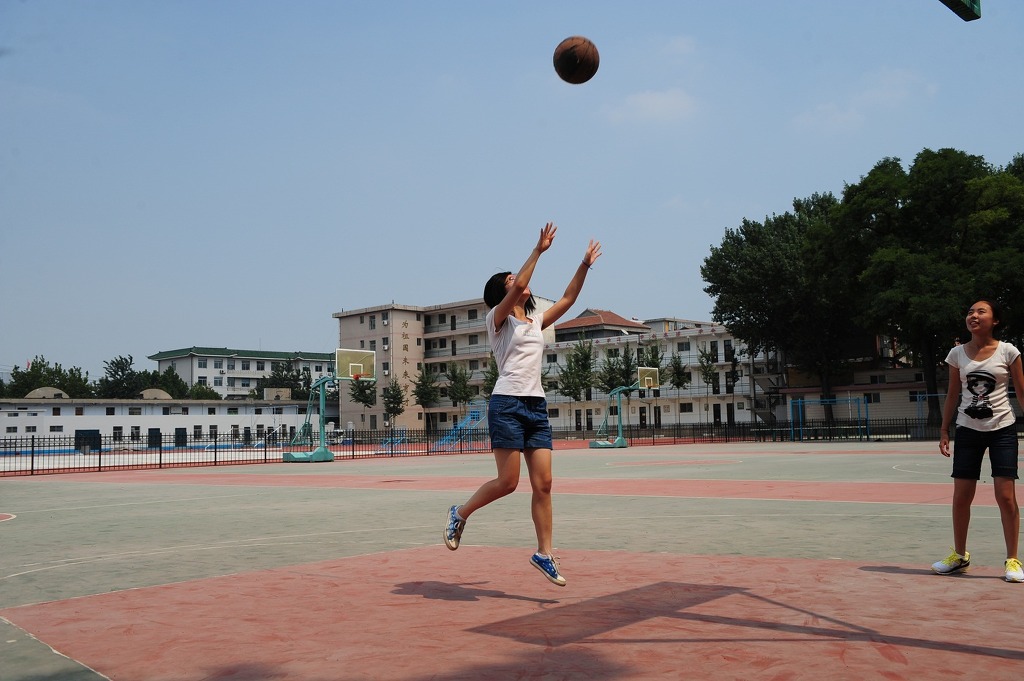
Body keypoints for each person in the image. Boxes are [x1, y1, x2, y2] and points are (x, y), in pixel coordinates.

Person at [443, 222, 601, 586]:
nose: (518, 281)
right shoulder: (497, 321)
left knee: (544, 484)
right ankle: (460, 513)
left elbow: (568, 299)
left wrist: (584, 265)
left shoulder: (535, 321)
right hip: (507, 404)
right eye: (511, 279)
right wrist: (538, 251)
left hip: (535, 407)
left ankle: (544, 553)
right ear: (502, 291)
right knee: (508, 482)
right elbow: (517, 287)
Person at [933, 298, 1024, 582]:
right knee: (962, 496)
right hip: (967, 430)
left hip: (1002, 429)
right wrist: (944, 430)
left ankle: (1012, 560)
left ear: (994, 320)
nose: (973, 315)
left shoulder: (1008, 351)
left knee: (1005, 496)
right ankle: (960, 556)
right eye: (970, 312)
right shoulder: (956, 354)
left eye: (981, 311)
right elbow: (952, 394)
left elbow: (1022, 392)